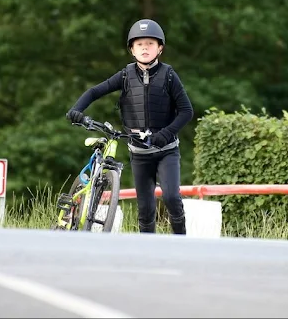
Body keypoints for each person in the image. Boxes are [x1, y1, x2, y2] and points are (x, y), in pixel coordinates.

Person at [66, 19, 194, 235]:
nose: (145, 47)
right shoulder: (125, 75)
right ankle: (147, 251)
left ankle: (181, 242)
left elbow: (186, 111)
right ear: (132, 49)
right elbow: (94, 91)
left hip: (166, 151)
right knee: (145, 210)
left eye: (150, 43)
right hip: (139, 154)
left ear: (160, 48)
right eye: (140, 44)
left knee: (172, 197)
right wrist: (76, 109)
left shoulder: (169, 75)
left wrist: (166, 133)